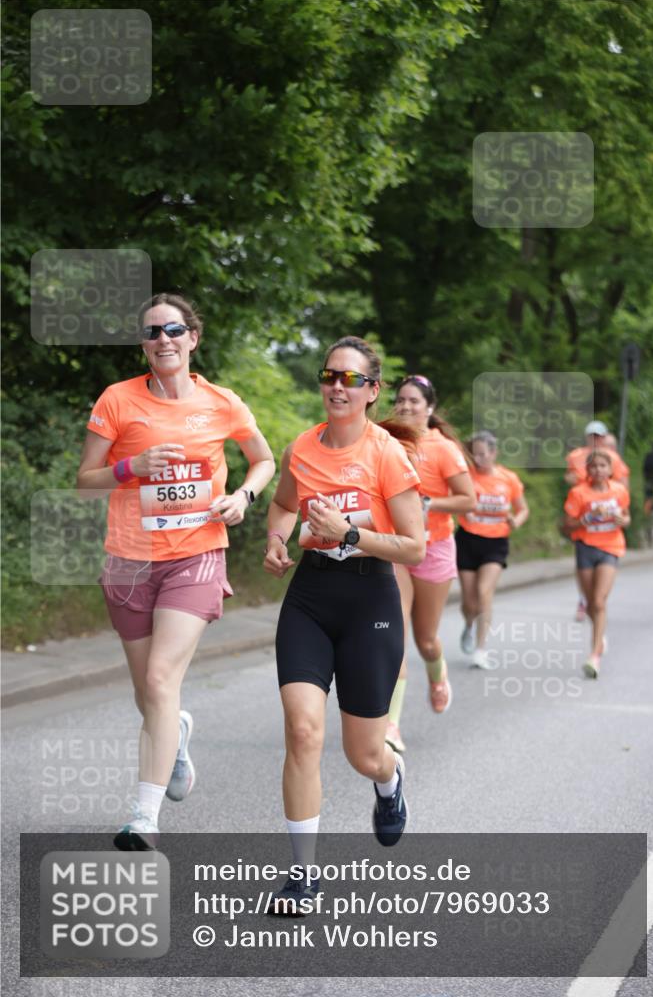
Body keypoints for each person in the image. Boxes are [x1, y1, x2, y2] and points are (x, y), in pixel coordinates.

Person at [77, 293, 275, 849]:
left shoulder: (221, 402)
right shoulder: (117, 400)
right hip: (129, 560)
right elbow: (85, 478)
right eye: (151, 333)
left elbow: (263, 459)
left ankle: (143, 818)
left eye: (173, 330)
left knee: (163, 679)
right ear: (143, 345)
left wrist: (244, 496)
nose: (163, 339)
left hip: (197, 555)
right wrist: (130, 467)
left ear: (193, 338)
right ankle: (178, 738)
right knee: (150, 694)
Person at [263, 336, 425, 914]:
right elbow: (283, 504)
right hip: (310, 596)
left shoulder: (386, 453)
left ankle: (389, 778)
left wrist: (350, 533)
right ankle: (302, 877)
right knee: (303, 731)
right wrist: (277, 539)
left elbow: (414, 546)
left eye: (351, 379)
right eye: (330, 376)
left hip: (369, 602)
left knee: (364, 754)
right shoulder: (301, 449)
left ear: (372, 391)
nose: (337, 386)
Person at [384, 375, 475, 754]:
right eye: (401, 400)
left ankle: (438, 677)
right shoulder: (385, 440)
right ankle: (391, 725)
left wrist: (429, 505)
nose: (405, 407)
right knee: (394, 638)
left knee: (425, 639)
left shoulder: (443, 449)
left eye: (414, 402)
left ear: (430, 408)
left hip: (435, 547)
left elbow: (467, 499)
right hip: (398, 547)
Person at [456, 430, 529, 669]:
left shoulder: (508, 479)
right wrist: (463, 509)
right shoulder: (465, 476)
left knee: (484, 591)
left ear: (494, 453)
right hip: (468, 539)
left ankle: (481, 650)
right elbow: (452, 499)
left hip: (496, 543)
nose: (478, 459)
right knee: (469, 602)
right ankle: (469, 625)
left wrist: (516, 521)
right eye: (474, 454)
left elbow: (522, 509)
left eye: (483, 454)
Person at [563, 449, 630, 678]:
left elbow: (626, 515)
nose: (598, 470)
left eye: (603, 466)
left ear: (610, 470)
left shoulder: (619, 491)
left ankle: (594, 655)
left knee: (599, 601)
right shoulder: (578, 493)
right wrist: (585, 519)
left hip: (610, 547)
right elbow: (567, 525)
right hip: (586, 547)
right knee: (590, 602)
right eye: (593, 466)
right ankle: (600, 635)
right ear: (587, 470)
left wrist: (624, 520)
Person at [565, 421, 629, 621]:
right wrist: (575, 482)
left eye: (599, 436)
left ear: (604, 437)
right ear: (586, 437)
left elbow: (623, 482)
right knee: (582, 553)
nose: (596, 439)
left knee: (600, 562)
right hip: (582, 505)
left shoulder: (613, 458)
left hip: (607, 507)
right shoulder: (575, 456)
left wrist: (615, 501)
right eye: (592, 436)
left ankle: (594, 601)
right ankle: (584, 597)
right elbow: (568, 475)